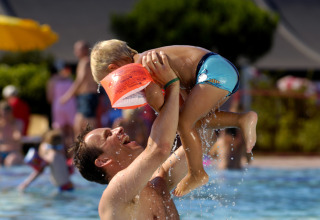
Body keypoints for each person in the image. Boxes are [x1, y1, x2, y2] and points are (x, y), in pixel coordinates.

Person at [90, 39, 258, 196]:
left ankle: (197, 173)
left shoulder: (144, 64)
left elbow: (159, 101)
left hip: (212, 70)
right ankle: (241, 120)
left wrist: (153, 100)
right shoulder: (147, 59)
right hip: (216, 69)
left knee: (185, 123)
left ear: (114, 69)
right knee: (195, 121)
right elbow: (172, 107)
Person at [71, 52, 187, 219]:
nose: (118, 130)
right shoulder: (114, 196)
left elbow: (203, 141)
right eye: (108, 134)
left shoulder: (158, 183)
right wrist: (172, 84)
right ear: (103, 161)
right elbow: (159, 149)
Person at [60, 40, 99, 137]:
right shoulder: (90, 62)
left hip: (87, 97)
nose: (75, 52)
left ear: (85, 50)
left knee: (82, 127)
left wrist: (67, 96)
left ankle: (86, 149)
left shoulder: (85, 62)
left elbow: (80, 80)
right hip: (88, 96)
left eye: (78, 49)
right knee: (82, 126)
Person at [47, 63, 76, 149]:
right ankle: (72, 154)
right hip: (71, 106)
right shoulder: (70, 79)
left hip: (58, 105)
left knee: (60, 132)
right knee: (71, 132)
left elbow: (49, 98)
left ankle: (62, 152)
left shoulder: (52, 80)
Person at [0, 101, 24, 166]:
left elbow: (17, 138)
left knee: (11, 162)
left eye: (6, 114)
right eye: (2, 114)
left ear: (11, 113)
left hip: (14, 152)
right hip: (1, 152)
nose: (4, 117)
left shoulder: (18, 123)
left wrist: (12, 125)